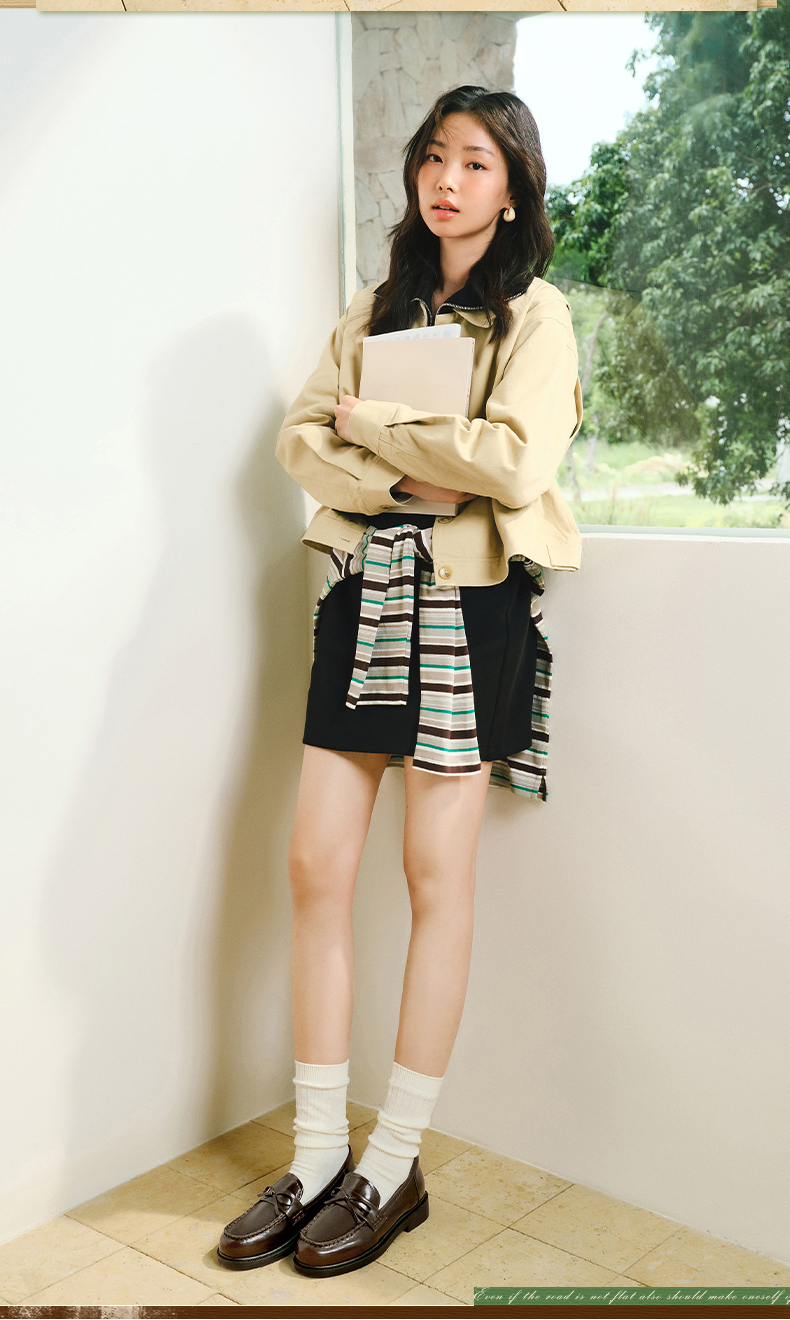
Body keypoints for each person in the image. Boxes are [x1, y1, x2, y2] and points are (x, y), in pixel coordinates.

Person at [216, 85, 583, 1279]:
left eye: (475, 162)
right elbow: (299, 439)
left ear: (512, 190)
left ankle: (393, 1163)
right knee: (314, 866)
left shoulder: (537, 317)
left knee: (435, 879)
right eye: (434, 157)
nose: (446, 179)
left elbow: (513, 464)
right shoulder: (374, 309)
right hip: (362, 593)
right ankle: (319, 1153)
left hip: (471, 608)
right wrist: (399, 472)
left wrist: (370, 429)